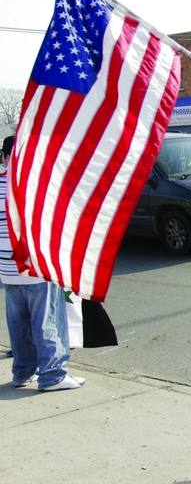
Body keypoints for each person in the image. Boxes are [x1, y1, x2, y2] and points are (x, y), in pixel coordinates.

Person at [1, 135, 85, 391]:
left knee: (19, 323)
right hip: (35, 266)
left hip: (6, 268)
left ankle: (23, 373)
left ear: (4, 157)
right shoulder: (34, 185)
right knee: (47, 321)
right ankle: (52, 375)